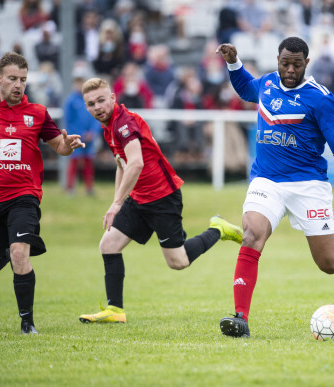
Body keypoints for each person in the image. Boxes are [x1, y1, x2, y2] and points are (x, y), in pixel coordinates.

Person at [215, 37, 334, 338]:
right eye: (285, 62)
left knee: (330, 264)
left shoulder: (320, 99)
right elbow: (247, 88)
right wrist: (234, 63)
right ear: (277, 59)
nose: (289, 69)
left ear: (306, 64)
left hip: (308, 185)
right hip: (267, 181)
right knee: (252, 234)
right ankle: (240, 317)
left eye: (296, 64)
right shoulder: (268, 83)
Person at [79, 77, 243, 323]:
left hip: (162, 197)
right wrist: (118, 200)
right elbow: (121, 165)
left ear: (113, 98)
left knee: (178, 262)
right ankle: (115, 311)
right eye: (91, 104)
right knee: (108, 245)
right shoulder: (108, 126)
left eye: (101, 100)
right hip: (138, 198)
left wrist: (116, 204)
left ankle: (217, 229)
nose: (97, 107)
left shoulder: (124, 123)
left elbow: (136, 163)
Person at [0, 52, 85, 334]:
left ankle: (27, 323)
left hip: (24, 196)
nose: (18, 85)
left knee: (20, 253)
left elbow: (58, 146)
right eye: (12, 79)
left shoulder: (37, 113)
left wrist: (68, 145)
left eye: (22, 79)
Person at [64, 64, 101, 196]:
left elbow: (96, 117)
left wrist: (93, 132)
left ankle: (89, 187)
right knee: (74, 161)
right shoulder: (70, 101)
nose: (79, 84)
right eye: (77, 81)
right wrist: (77, 135)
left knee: (88, 162)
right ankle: (70, 187)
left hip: (89, 137)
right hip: (76, 137)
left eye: (81, 81)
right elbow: (68, 121)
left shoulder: (90, 100)